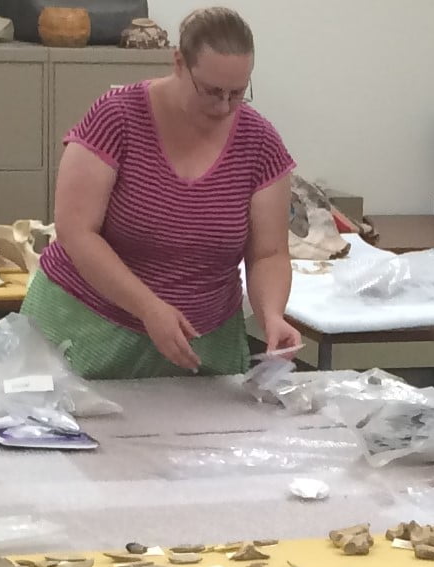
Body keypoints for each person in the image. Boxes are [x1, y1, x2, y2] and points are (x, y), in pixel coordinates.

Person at [23, 6, 302, 380]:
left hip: (201, 340)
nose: (224, 107)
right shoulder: (118, 117)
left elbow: (268, 252)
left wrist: (271, 316)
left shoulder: (259, 142)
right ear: (178, 63)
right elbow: (76, 230)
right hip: (88, 327)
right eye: (212, 91)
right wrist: (148, 307)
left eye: (237, 93)